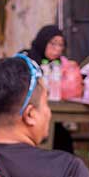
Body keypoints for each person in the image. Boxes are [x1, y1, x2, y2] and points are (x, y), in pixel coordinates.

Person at [25, 25, 74, 153]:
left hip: (50, 113)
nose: (57, 49)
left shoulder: (60, 65)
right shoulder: (27, 59)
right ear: (43, 41)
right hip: (26, 114)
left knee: (63, 138)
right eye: (53, 44)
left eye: (61, 45)